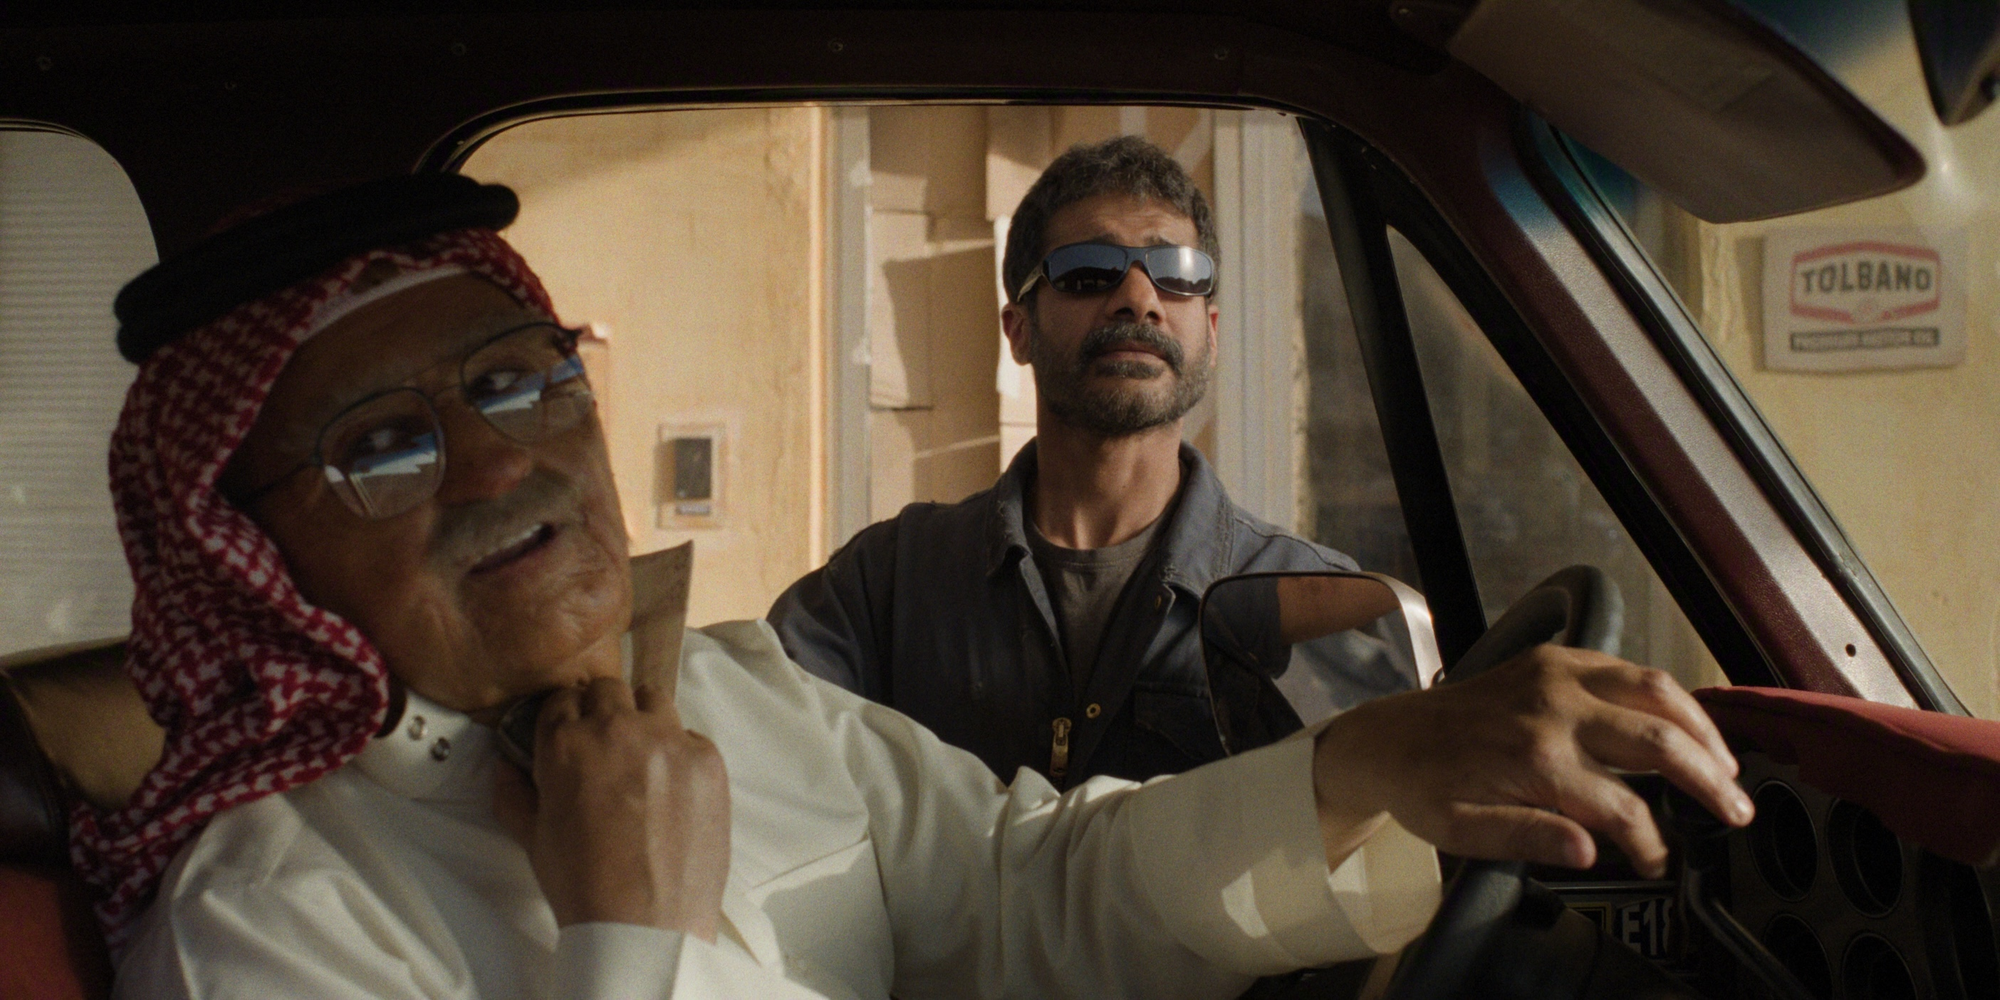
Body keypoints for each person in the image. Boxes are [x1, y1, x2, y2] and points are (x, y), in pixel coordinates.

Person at [87, 174, 1753, 999]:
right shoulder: (265, 920)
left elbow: (1028, 885)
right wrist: (625, 934)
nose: (496, 466)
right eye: (383, 450)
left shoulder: (734, 689)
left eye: (521, 383)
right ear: (255, 552)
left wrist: (1369, 771)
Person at [769, 136, 1405, 786]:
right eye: (1088, 270)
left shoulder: (1308, 600)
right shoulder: (890, 584)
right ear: (1019, 330)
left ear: (1211, 333)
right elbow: (757, 745)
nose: (1139, 298)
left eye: (1178, 272)